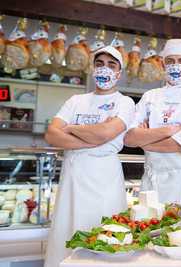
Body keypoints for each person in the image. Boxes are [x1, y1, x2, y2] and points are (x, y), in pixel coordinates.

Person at [44, 46, 136, 266]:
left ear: (119, 72)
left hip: (104, 177)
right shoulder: (75, 100)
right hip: (74, 176)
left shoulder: (125, 102)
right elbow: (51, 135)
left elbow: (106, 133)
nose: (104, 69)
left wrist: (71, 128)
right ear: (93, 68)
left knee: (105, 235)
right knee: (67, 231)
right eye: (99, 64)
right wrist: (94, 137)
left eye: (111, 65)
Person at [124, 39, 181, 220]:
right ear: (163, 63)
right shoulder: (150, 96)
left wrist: (146, 140)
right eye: (170, 61)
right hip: (151, 179)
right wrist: (169, 130)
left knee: (180, 237)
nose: (176, 65)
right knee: (147, 235)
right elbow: (128, 139)